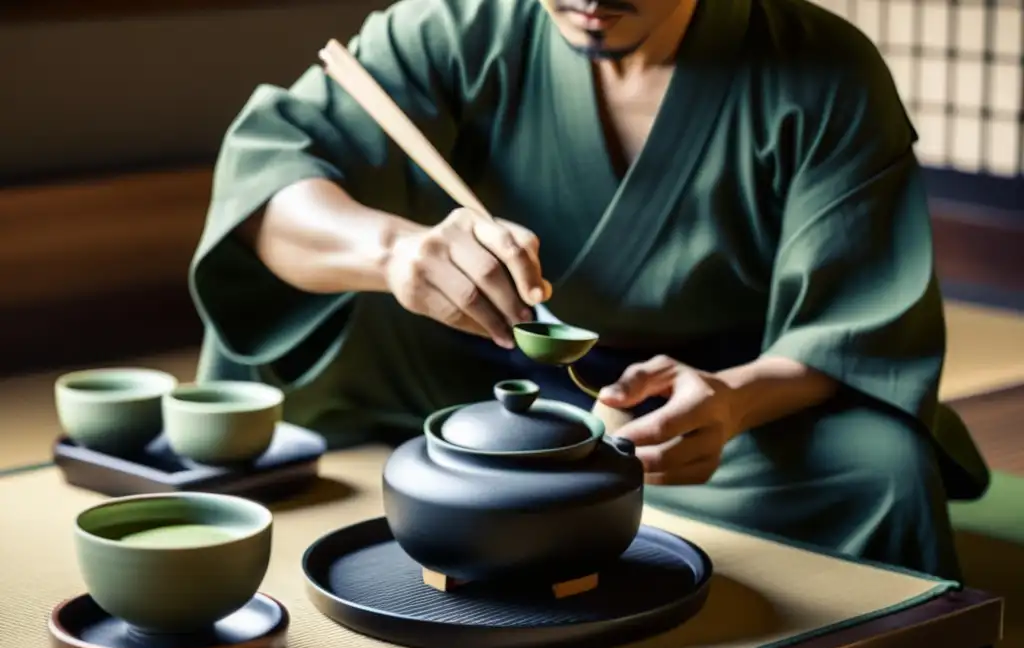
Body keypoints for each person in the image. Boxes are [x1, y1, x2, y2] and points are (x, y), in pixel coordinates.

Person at [189, 0, 990, 586]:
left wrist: (732, 402)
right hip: (465, 369)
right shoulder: (456, 30)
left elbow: (855, 323)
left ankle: (480, 508)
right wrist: (396, 252)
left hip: (700, 415)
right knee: (288, 363)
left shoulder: (821, 66)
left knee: (879, 472)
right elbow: (269, 185)